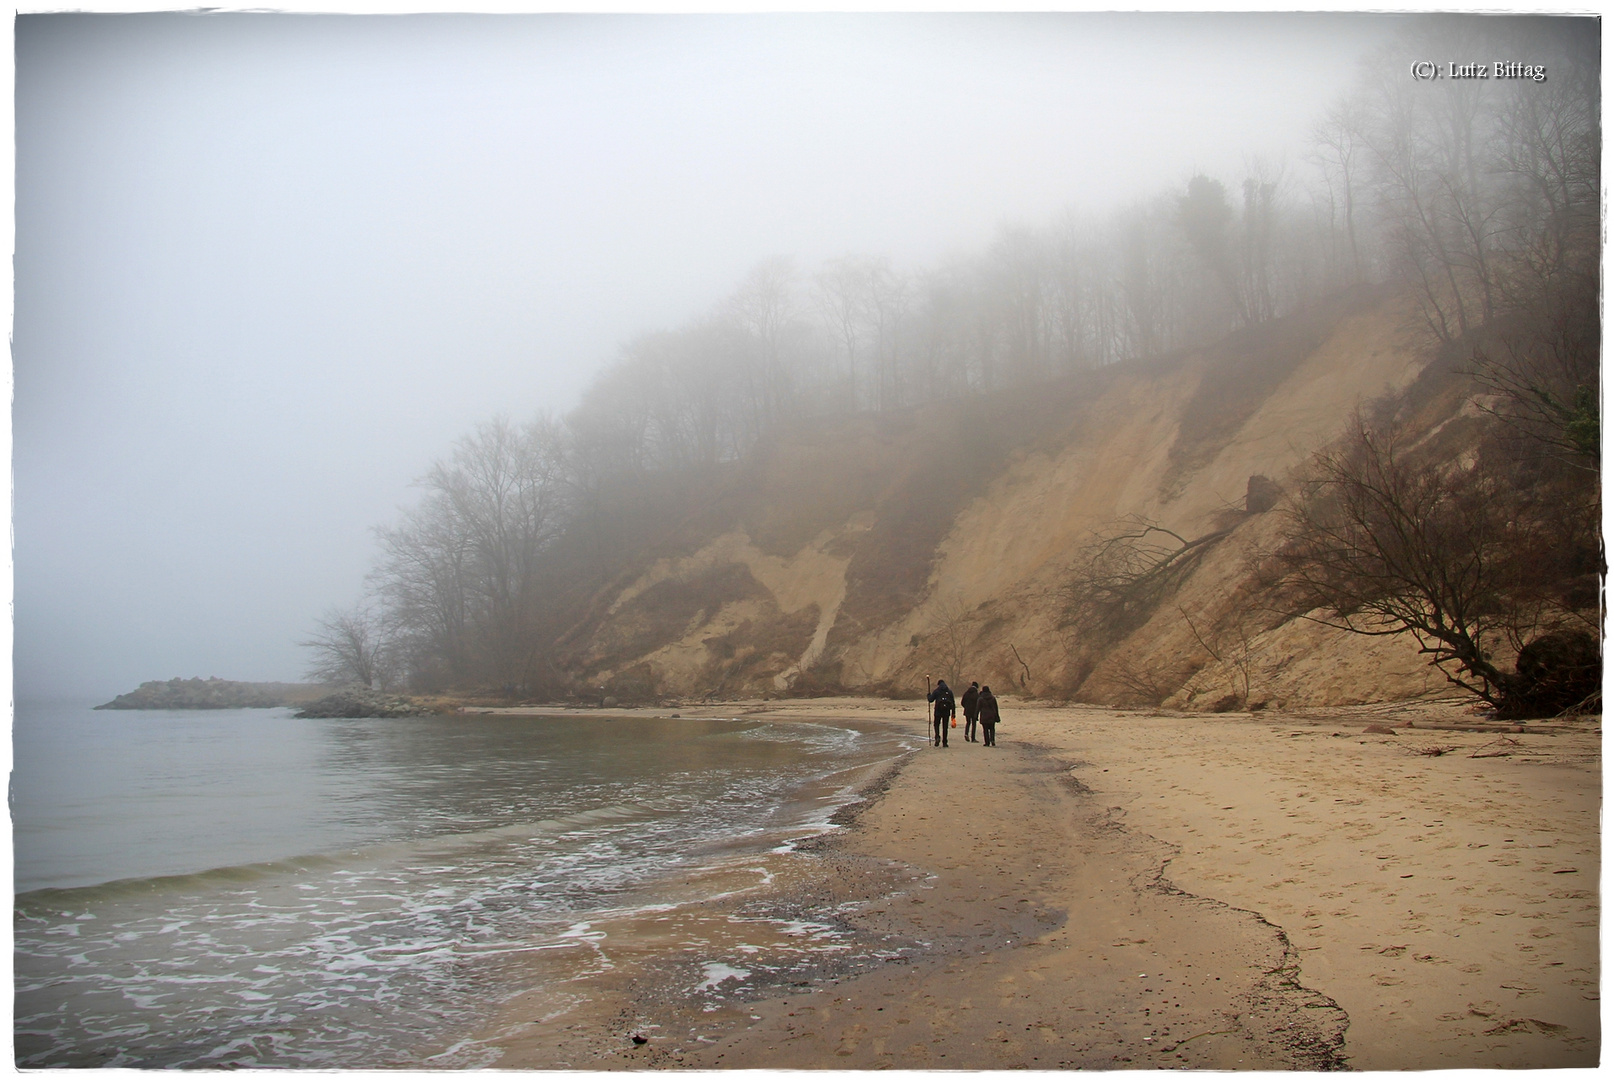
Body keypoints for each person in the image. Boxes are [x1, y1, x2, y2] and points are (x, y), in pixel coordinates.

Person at [927, 678, 955, 747]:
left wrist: (928, 695)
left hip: (938, 711)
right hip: (946, 711)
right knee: (945, 727)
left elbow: (931, 700)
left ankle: (937, 737)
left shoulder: (937, 691)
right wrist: (953, 713)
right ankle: (945, 742)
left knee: (936, 724)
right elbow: (953, 703)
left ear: (938, 684)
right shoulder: (949, 691)